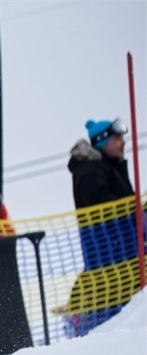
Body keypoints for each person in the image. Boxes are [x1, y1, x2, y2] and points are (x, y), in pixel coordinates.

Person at [66, 117, 137, 335]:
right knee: (115, 321)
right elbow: (102, 204)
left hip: (126, 254)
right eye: (117, 138)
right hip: (110, 257)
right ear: (102, 142)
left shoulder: (110, 167)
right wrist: (133, 210)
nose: (123, 143)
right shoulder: (90, 170)